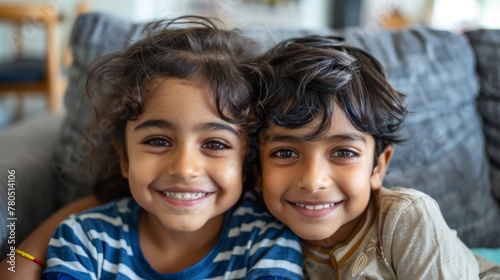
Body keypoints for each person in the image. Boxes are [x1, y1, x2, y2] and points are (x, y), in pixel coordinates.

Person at [37, 16, 303, 280]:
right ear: (124, 157)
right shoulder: (84, 239)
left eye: (215, 144)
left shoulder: (267, 241)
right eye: (158, 141)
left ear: (246, 161)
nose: (184, 169)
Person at [252, 35, 500, 279]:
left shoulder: (407, 219)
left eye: (344, 152)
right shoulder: (259, 232)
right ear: (257, 171)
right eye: (285, 152)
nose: (313, 181)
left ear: (378, 167)